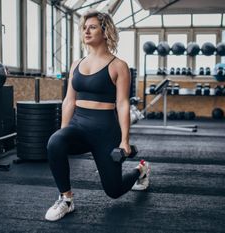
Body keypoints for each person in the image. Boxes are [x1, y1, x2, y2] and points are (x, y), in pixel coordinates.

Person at [44, 10, 150, 222]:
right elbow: (69, 101)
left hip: (105, 131)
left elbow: (122, 104)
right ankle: (66, 199)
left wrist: (125, 141)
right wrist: (64, 133)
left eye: (92, 27)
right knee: (55, 142)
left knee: (114, 190)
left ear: (105, 31)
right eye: (84, 28)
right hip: (79, 126)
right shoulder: (76, 63)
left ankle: (141, 170)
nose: (86, 31)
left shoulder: (118, 66)